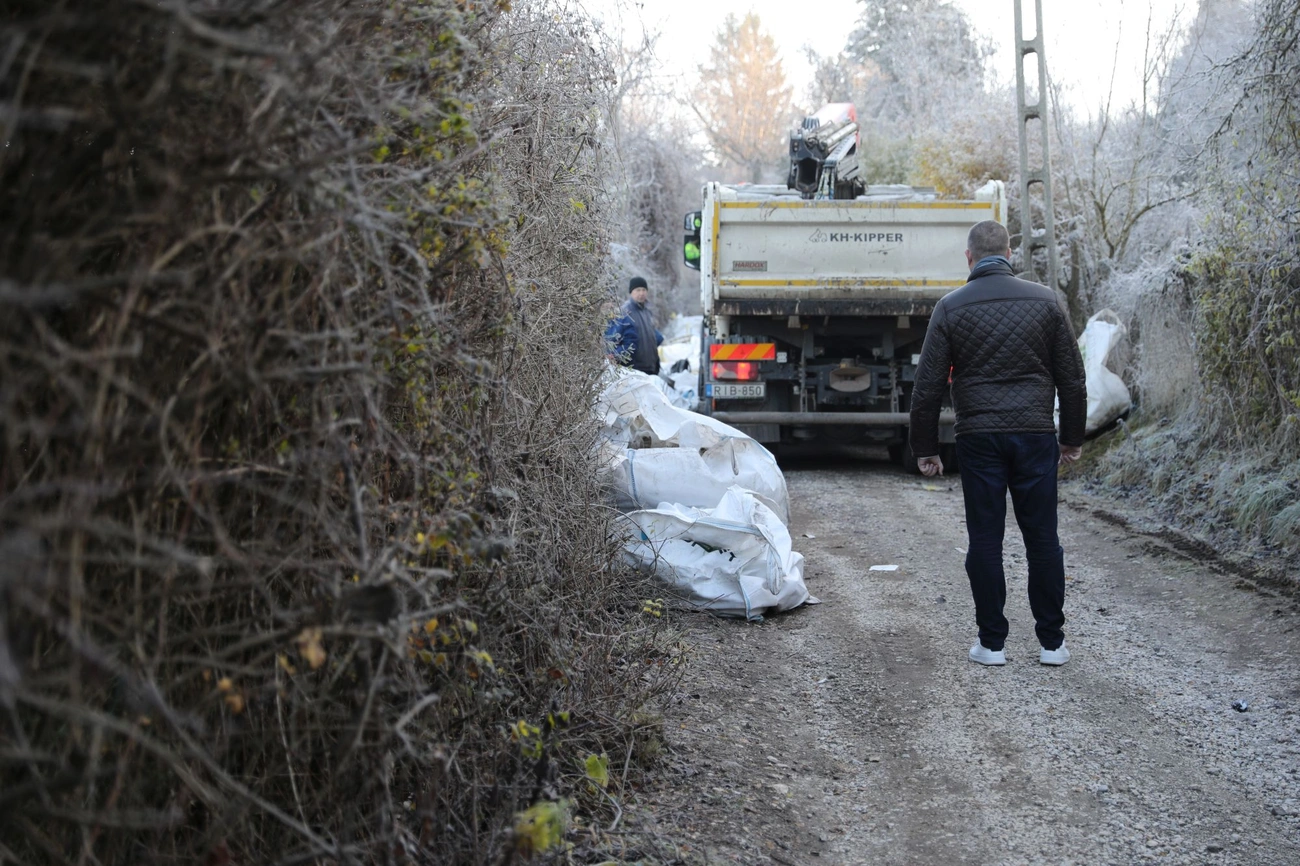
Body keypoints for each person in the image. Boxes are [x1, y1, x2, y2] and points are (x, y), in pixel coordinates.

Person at [909, 220, 1086, 668]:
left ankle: (992, 645)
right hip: (1035, 435)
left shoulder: (950, 308)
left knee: (985, 540)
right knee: (1043, 539)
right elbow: (1073, 378)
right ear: (1010, 254)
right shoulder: (1046, 302)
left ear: (969, 258)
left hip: (979, 439)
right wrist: (1071, 439)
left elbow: (927, 387)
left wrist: (926, 448)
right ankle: (1052, 644)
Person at [604, 276, 663, 375]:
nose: (641, 293)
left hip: (650, 367)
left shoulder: (647, 312)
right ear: (631, 292)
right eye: (638, 290)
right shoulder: (624, 312)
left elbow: (654, 338)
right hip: (634, 369)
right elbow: (614, 340)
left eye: (644, 290)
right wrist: (615, 356)